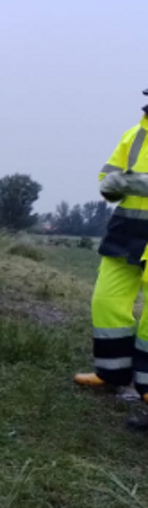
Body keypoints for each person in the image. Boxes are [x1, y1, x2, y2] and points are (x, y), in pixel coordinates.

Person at [74, 88, 148, 402]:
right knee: (105, 302)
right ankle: (111, 373)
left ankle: (146, 387)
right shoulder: (134, 135)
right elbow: (108, 177)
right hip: (125, 232)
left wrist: (136, 182)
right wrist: (110, 186)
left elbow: (137, 182)